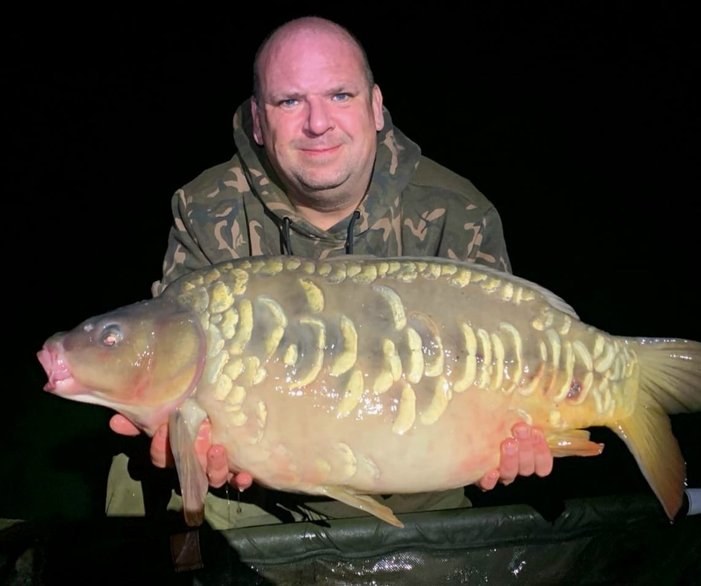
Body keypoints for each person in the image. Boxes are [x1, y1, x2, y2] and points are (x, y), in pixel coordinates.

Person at [106, 16, 554, 530]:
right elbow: (177, 370)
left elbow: (510, 375)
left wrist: (516, 438)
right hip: (255, 488)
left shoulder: (458, 215)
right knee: (134, 471)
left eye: (340, 95)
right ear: (257, 120)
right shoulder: (207, 209)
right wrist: (194, 447)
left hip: (416, 482)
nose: (318, 123)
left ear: (376, 106)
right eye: (290, 102)